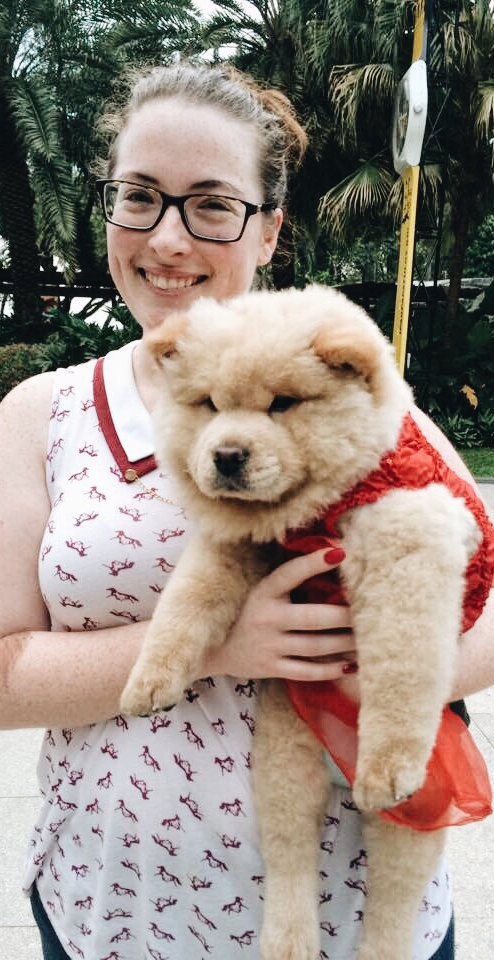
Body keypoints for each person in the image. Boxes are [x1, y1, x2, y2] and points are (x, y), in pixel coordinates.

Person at [0, 61, 492, 960]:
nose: (169, 238)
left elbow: (486, 609)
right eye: (139, 196)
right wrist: (222, 646)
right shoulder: (43, 413)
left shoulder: (367, 406)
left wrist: (363, 666)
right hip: (115, 908)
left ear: (269, 230)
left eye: (212, 204)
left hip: (351, 922)